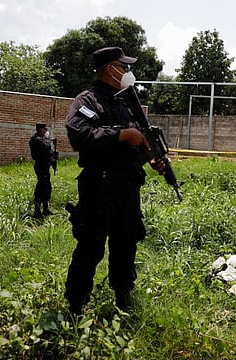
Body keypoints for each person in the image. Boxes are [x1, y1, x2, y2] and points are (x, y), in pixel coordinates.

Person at [64, 47, 165, 314]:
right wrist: (121, 134)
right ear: (111, 69)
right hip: (99, 187)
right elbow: (80, 135)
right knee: (90, 247)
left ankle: (123, 297)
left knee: (126, 244)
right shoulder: (88, 100)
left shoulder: (125, 101)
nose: (129, 72)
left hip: (127, 187)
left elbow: (140, 139)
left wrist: (151, 157)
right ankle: (75, 306)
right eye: (126, 67)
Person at [29, 123, 55, 218]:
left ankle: (45, 209)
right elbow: (46, 148)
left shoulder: (41, 139)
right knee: (41, 188)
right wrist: (48, 140)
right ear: (40, 130)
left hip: (44, 166)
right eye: (44, 129)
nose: (45, 131)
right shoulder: (36, 140)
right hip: (40, 166)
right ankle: (37, 211)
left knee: (47, 188)